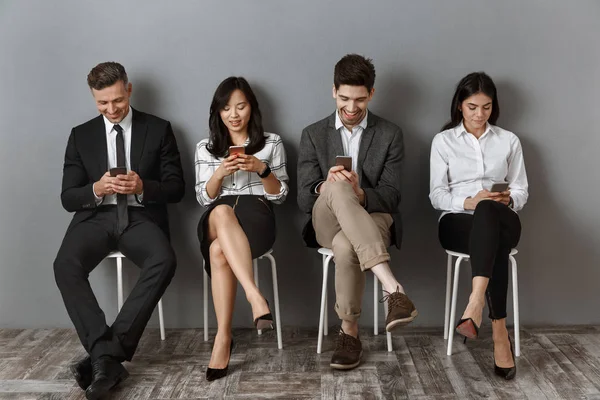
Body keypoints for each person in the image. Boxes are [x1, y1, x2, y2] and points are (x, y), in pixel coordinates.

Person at [53, 62, 185, 399]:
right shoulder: (80, 135)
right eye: (102, 103)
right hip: (95, 218)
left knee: (164, 259)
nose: (111, 110)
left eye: (117, 100)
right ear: (93, 98)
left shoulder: (158, 129)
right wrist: (96, 188)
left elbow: (176, 188)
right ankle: (106, 355)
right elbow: (69, 197)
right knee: (64, 264)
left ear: (129, 89)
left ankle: (104, 356)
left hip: (141, 217)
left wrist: (143, 186)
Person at [297, 54, 417, 371]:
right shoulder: (313, 134)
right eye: (345, 98)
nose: (351, 108)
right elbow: (302, 198)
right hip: (325, 218)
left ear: (371, 94)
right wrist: (329, 187)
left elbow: (391, 196)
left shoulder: (390, 134)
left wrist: (361, 194)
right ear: (333, 91)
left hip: (372, 218)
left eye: (360, 100)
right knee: (335, 186)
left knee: (346, 245)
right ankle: (393, 288)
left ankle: (349, 334)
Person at [429, 72, 528, 380]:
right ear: (460, 105)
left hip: (503, 217)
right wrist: (469, 202)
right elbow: (436, 195)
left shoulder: (509, 140)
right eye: (472, 107)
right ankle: (500, 332)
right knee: (490, 232)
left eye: (486, 107)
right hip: (458, 223)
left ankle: (474, 304)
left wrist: (506, 200)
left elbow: (522, 190)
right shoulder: (443, 141)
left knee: (490, 212)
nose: (479, 114)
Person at [195, 77, 289, 381]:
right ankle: (254, 296)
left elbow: (280, 195)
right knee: (221, 210)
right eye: (226, 108)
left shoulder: (271, 143)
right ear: (218, 112)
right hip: (216, 214)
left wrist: (261, 170)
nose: (233, 114)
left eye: (240, 106)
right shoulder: (205, 148)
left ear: (252, 108)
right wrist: (220, 173)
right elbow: (202, 198)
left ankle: (223, 338)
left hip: (256, 215)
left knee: (218, 250)